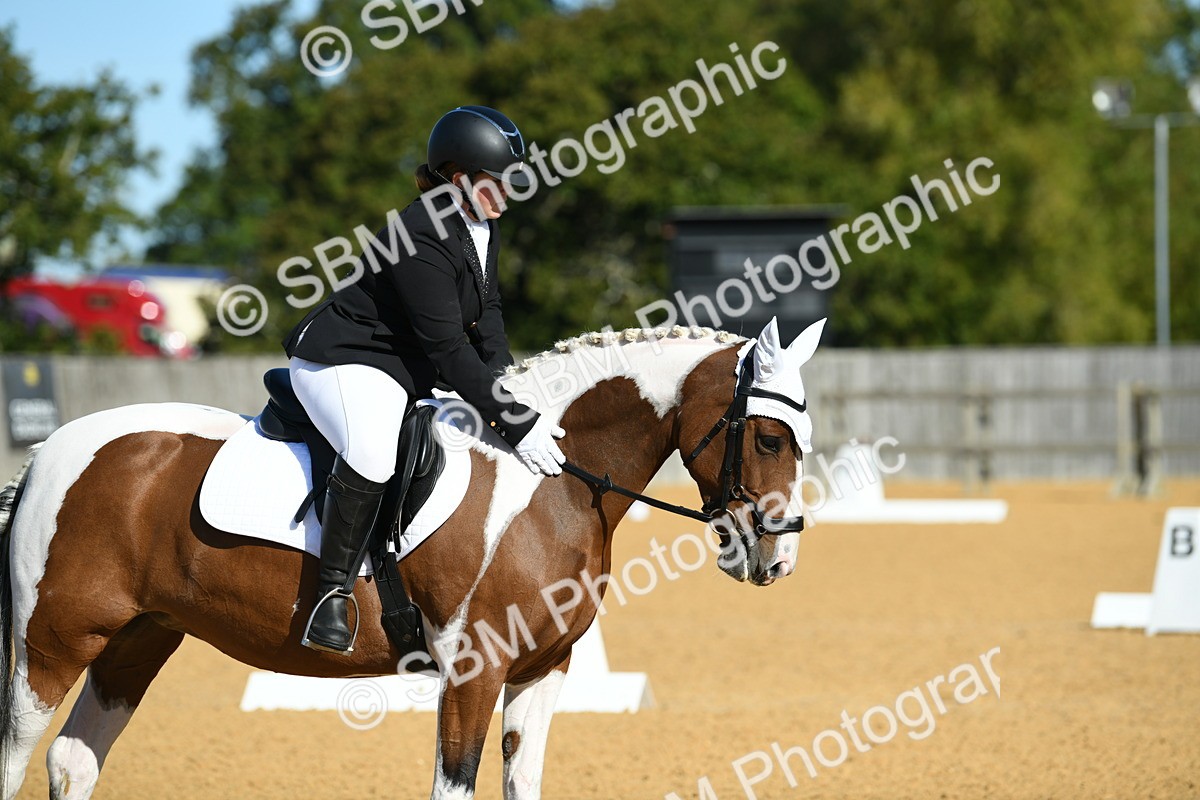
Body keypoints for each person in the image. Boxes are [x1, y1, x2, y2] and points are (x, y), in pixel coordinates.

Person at [281, 105, 566, 655]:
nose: (511, 190)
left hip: (407, 366)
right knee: (372, 451)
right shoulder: (419, 230)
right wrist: (514, 421)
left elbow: (489, 312)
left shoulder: (482, 223)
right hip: (348, 360)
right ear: (458, 178)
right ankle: (331, 593)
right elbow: (448, 346)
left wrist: (510, 383)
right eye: (499, 179)